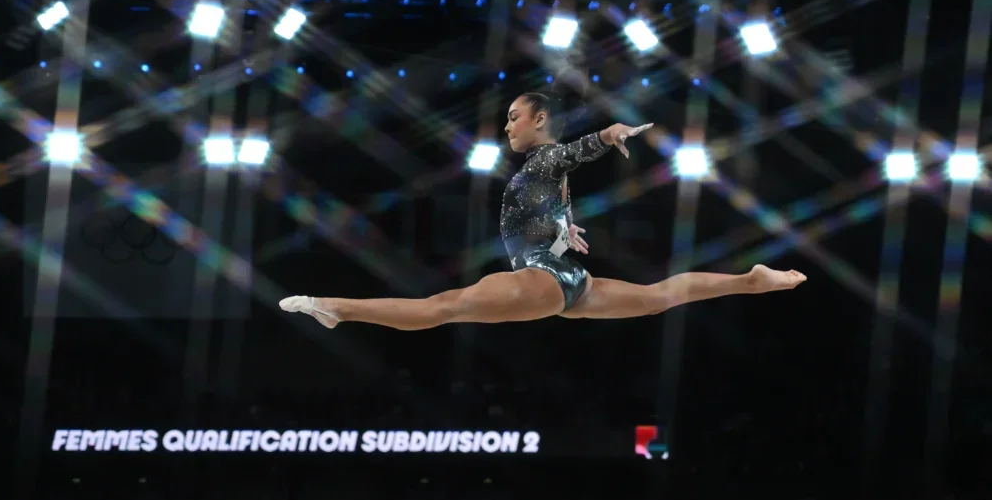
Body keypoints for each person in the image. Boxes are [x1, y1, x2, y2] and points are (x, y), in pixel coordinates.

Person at [279, 87, 805, 330]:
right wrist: (561, 228)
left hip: (542, 275)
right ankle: (750, 281)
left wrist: (606, 133)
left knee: (443, 307)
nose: (507, 126)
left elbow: (571, 151)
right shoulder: (542, 171)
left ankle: (334, 306)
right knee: (656, 298)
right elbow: (557, 188)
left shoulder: (548, 153)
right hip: (569, 277)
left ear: (540, 119)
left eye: (513, 117)